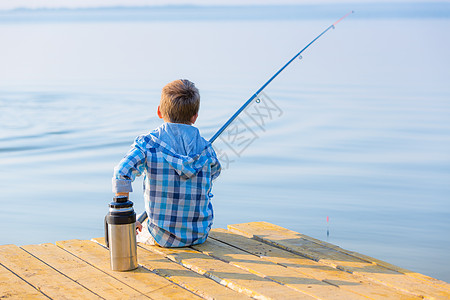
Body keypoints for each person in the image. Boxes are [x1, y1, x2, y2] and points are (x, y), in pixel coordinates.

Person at [112, 79, 221, 247]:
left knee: (131, 237)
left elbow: (122, 173)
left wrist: (127, 216)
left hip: (161, 237)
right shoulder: (206, 149)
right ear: (195, 117)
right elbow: (214, 172)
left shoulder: (149, 145)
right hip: (199, 234)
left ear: (159, 112)